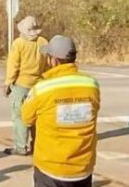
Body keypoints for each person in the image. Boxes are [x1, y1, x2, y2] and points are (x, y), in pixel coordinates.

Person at [22, 35, 100, 187]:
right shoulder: (92, 85)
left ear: (54, 60)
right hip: (82, 167)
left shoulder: (42, 89)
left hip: (51, 167)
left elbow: (26, 118)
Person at [4, 15, 48, 155]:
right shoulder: (43, 42)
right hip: (39, 85)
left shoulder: (18, 43)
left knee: (20, 117)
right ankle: (37, 145)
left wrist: (8, 83)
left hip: (21, 85)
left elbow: (13, 65)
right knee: (37, 117)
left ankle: (21, 147)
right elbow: (47, 65)